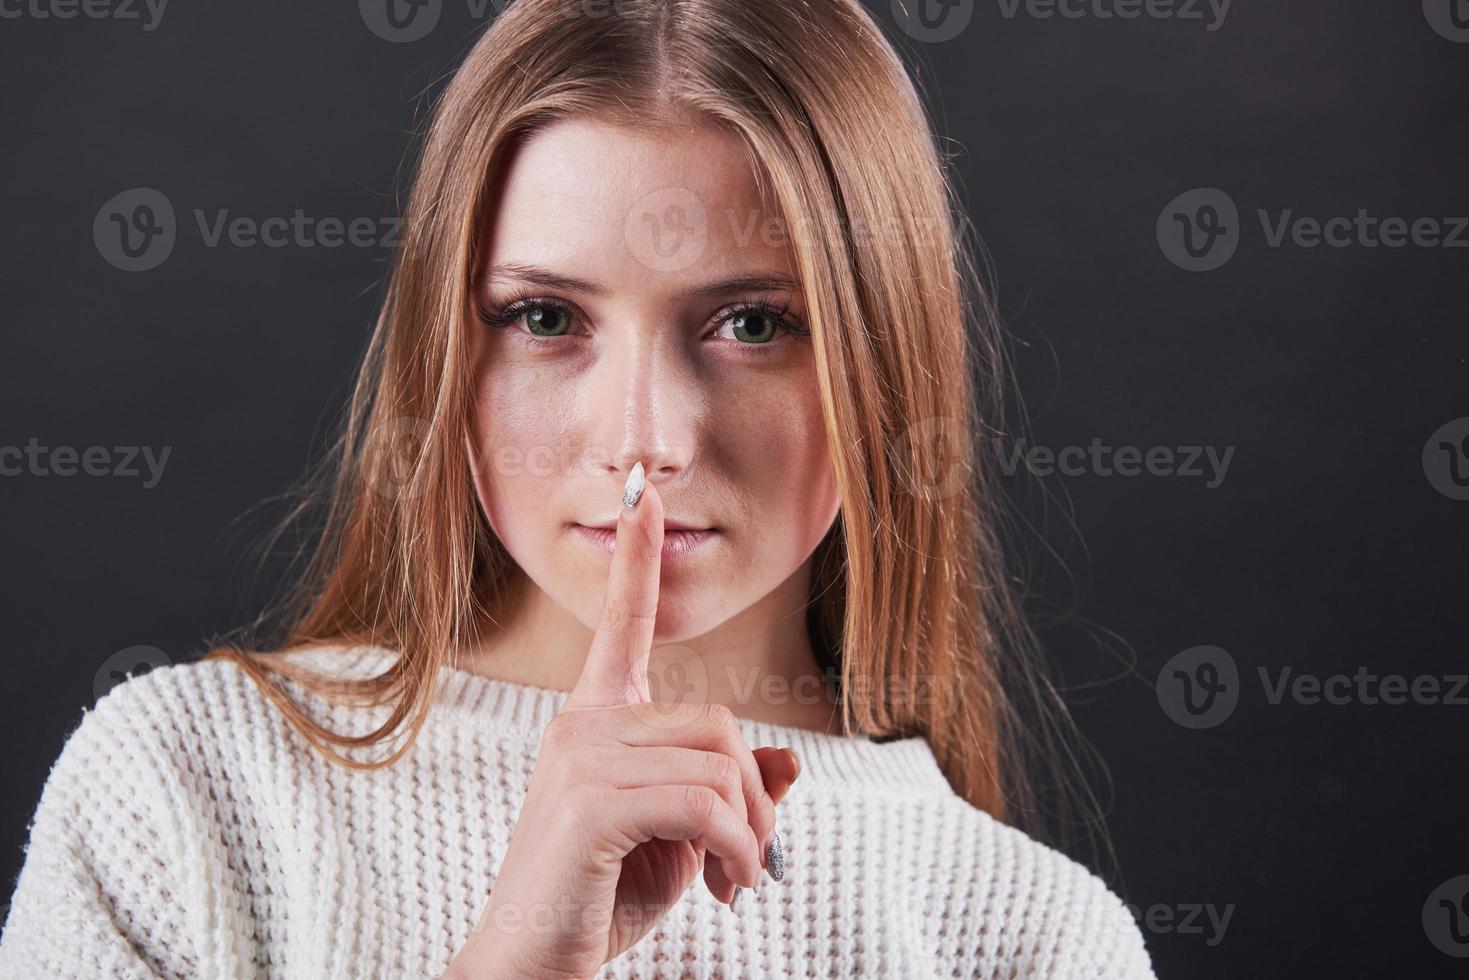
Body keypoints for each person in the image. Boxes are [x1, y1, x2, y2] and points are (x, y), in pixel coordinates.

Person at [0, 0, 1156, 976]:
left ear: (880, 355)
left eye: (753, 323)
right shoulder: (183, 793)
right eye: (545, 319)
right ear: (447, 351)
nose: (644, 441)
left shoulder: (1036, 941)